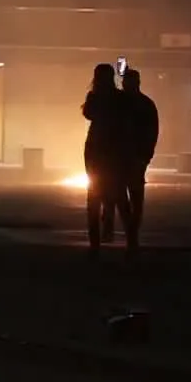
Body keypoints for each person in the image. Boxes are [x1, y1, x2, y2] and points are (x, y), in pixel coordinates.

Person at [80, 64, 126, 256]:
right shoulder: (119, 98)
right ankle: (113, 229)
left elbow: (88, 114)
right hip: (113, 147)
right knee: (114, 190)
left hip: (95, 146)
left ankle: (95, 239)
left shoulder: (93, 97)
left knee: (94, 191)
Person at [112, 68, 159, 253]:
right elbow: (152, 132)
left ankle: (130, 231)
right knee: (135, 197)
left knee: (121, 196)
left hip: (121, 157)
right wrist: (146, 156)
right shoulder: (146, 104)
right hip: (135, 157)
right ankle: (132, 233)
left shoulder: (118, 104)